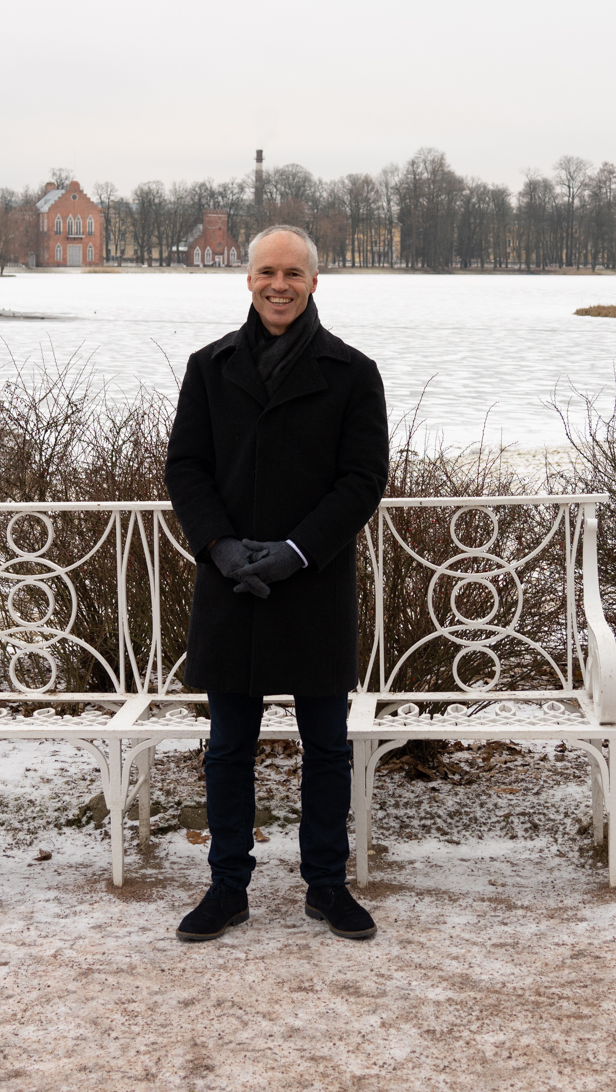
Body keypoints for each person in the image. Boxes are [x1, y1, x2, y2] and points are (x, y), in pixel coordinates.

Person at [163, 223, 390, 942]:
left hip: (312, 584)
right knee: (229, 747)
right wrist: (222, 548)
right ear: (249, 280)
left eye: (293, 273)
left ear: (315, 282)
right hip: (230, 584)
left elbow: (363, 480)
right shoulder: (209, 366)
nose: (279, 285)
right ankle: (228, 886)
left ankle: (326, 884)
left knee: (326, 745)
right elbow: (186, 468)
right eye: (267, 272)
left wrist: (296, 552)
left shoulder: (354, 373)